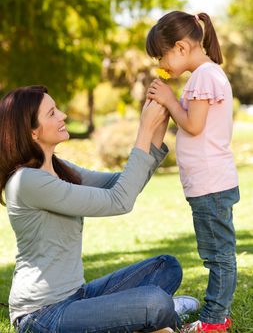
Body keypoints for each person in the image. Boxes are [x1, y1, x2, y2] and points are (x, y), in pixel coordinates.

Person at [0, 86, 199, 333]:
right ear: (31, 133)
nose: (63, 115)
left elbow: (123, 183)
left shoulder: (57, 168)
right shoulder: (27, 182)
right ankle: (160, 317)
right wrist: (143, 130)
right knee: (155, 301)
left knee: (166, 266)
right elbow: (119, 200)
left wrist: (155, 129)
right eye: (52, 113)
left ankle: (146, 318)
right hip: (43, 315)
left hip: (77, 296)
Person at [146, 11, 240, 333]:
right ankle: (218, 315)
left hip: (210, 184)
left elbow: (193, 125)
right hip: (207, 184)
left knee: (218, 256)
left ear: (182, 48)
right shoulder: (205, 76)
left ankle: (215, 321)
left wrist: (171, 100)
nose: (162, 62)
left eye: (162, 55)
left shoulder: (203, 76)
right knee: (216, 253)